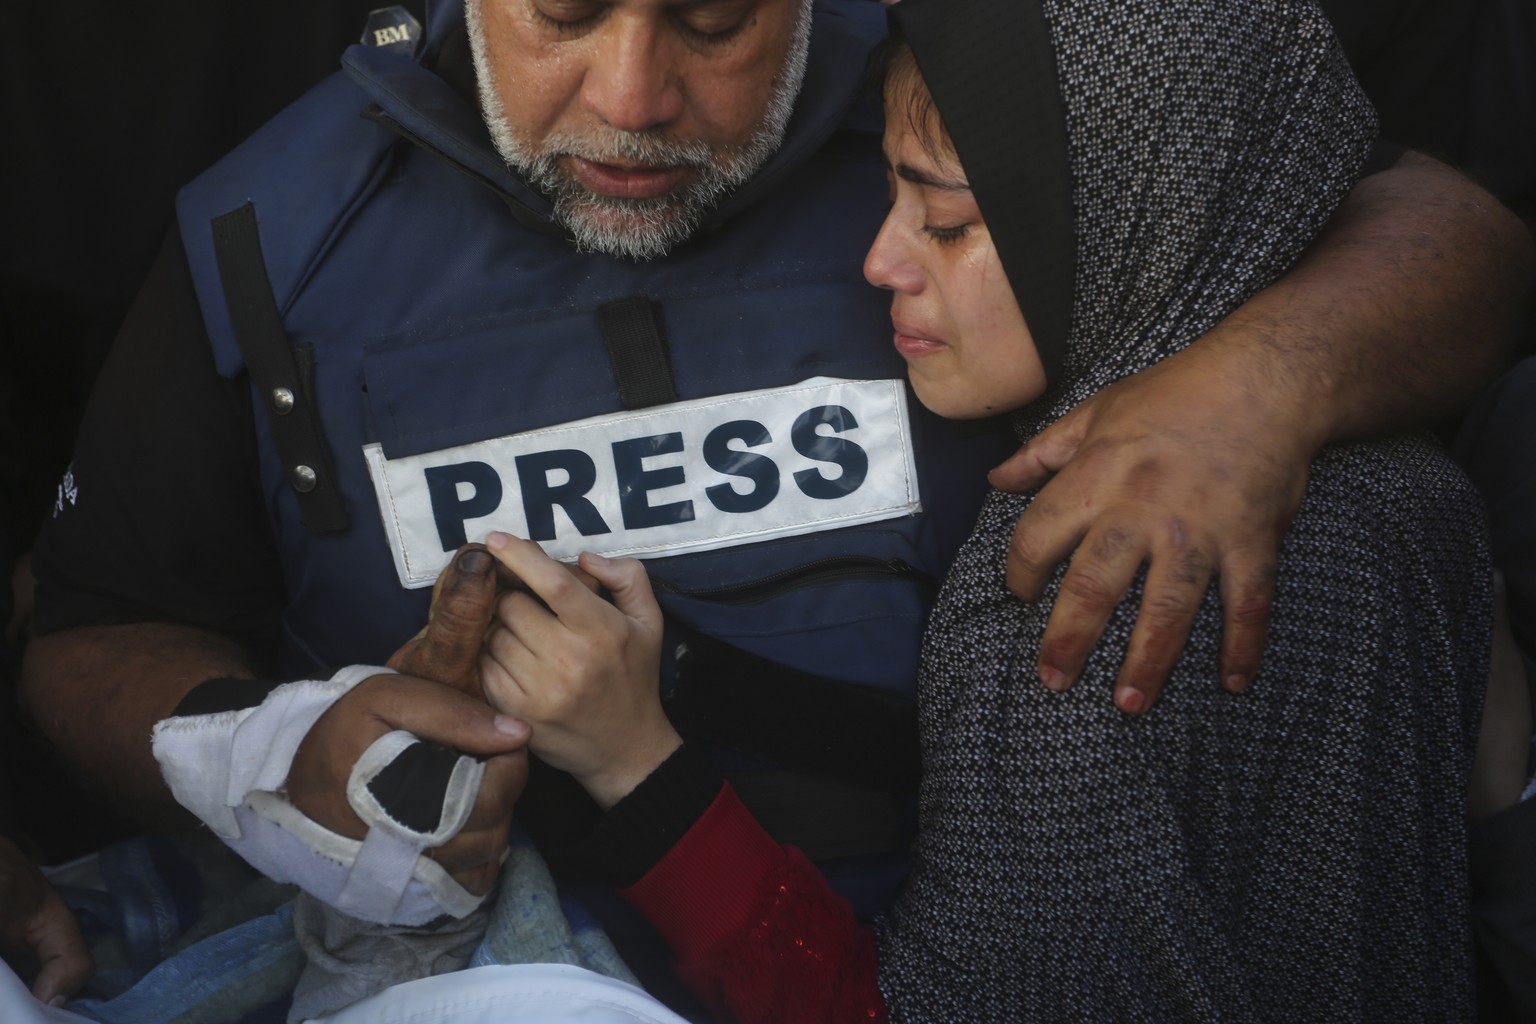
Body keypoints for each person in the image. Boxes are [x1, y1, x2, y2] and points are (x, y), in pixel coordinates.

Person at [16, 0, 1530, 1013]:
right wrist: (279, 753)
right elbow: (90, 630)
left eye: (715, 14)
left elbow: (1406, 210)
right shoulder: (265, 234)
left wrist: (1262, 383)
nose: (630, 93)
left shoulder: (970, 83)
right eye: (560, 11)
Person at [464, 0, 1499, 1021]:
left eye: (947, 222)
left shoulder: (1085, 596)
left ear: (1134, 203)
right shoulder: (1410, 493)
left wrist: (632, 764)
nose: (881, 261)